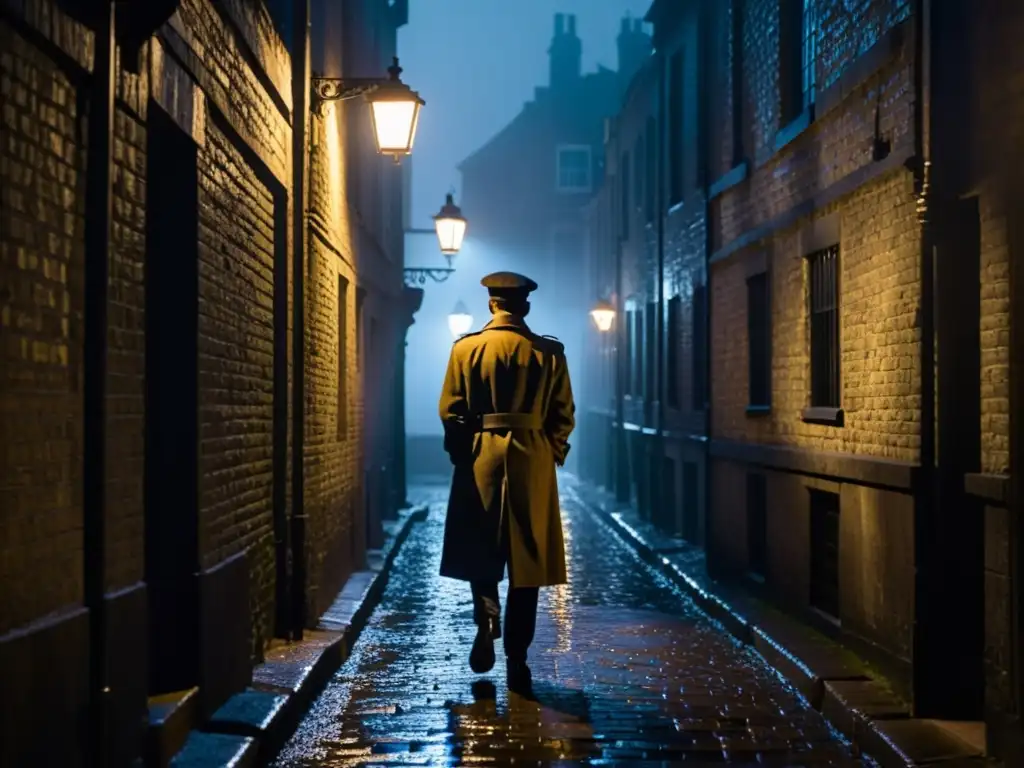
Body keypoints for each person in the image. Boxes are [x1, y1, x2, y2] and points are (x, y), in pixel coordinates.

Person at [437, 271, 576, 691]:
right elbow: (563, 416)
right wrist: (549, 451)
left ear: (491, 304)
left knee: (482, 547)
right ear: (525, 307)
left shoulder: (466, 349)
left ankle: (486, 619)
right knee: (527, 562)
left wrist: (464, 454)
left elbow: (451, 411)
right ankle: (518, 657)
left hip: (482, 457)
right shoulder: (549, 352)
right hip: (531, 459)